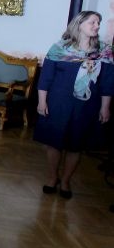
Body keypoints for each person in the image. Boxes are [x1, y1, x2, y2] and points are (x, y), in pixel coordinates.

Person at [35, 11, 113, 199]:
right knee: (54, 143)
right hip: (58, 103)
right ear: (79, 24)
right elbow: (45, 78)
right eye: (93, 22)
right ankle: (52, 177)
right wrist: (41, 101)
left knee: (75, 145)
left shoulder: (104, 51)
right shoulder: (59, 48)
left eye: (99, 23)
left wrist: (105, 107)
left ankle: (66, 181)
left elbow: (108, 83)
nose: (97, 26)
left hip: (86, 106)